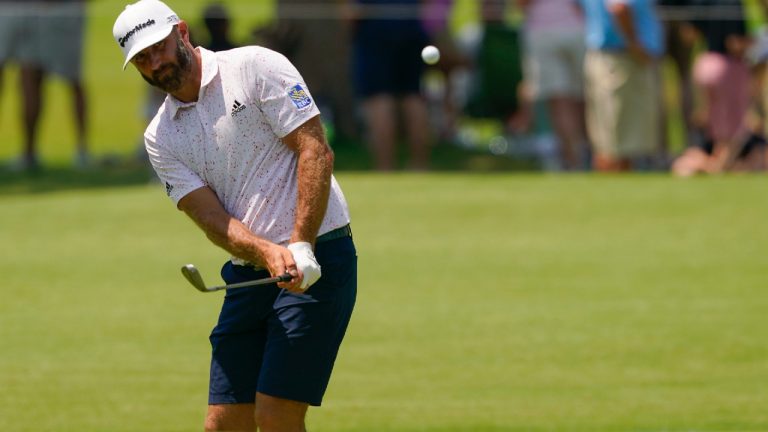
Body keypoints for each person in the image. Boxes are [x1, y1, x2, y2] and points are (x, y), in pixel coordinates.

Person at [112, 1, 357, 431]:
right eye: (143, 60)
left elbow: (315, 148)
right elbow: (210, 216)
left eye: (160, 48)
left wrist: (300, 243)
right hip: (253, 272)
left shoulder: (255, 66)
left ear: (182, 33)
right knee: (223, 423)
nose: (156, 63)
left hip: (319, 255)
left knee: (276, 414)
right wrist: (265, 251)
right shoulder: (160, 137)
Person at [671, 0, 767, 175]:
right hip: (727, 66)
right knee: (733, 130)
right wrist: (756, 42)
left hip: (703, 64)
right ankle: (716, 167)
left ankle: (697, 161)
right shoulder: (733, 3)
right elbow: (734, 44)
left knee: (711, 125)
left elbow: (688, 34)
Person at [346, 0, 433, 170]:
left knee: (379, 99)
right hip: (411, 26)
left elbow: (352, 12)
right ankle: (420, 164)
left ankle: (385, 167)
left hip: (375, 30)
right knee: (413, 95)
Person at [578, 0, 664, 171]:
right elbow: (619, 7)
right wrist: (634, 43)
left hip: (610, 57)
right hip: (623, 59)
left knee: (610, 140)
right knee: (619, 145)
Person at [518, 0, 589, 170]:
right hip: (578, 30)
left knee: (562, 103)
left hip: (545, 32)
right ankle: (586, 158)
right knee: (580, 100)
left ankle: (575, 161)